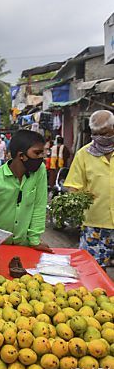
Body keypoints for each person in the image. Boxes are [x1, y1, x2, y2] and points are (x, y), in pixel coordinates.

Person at [64, 110, 114, 269]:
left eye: (104, 133)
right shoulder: (83, 155)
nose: (100, 137)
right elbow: (73, 186)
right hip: (95, 224)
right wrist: (75, 201)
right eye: (96, 134)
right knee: (92, 270)